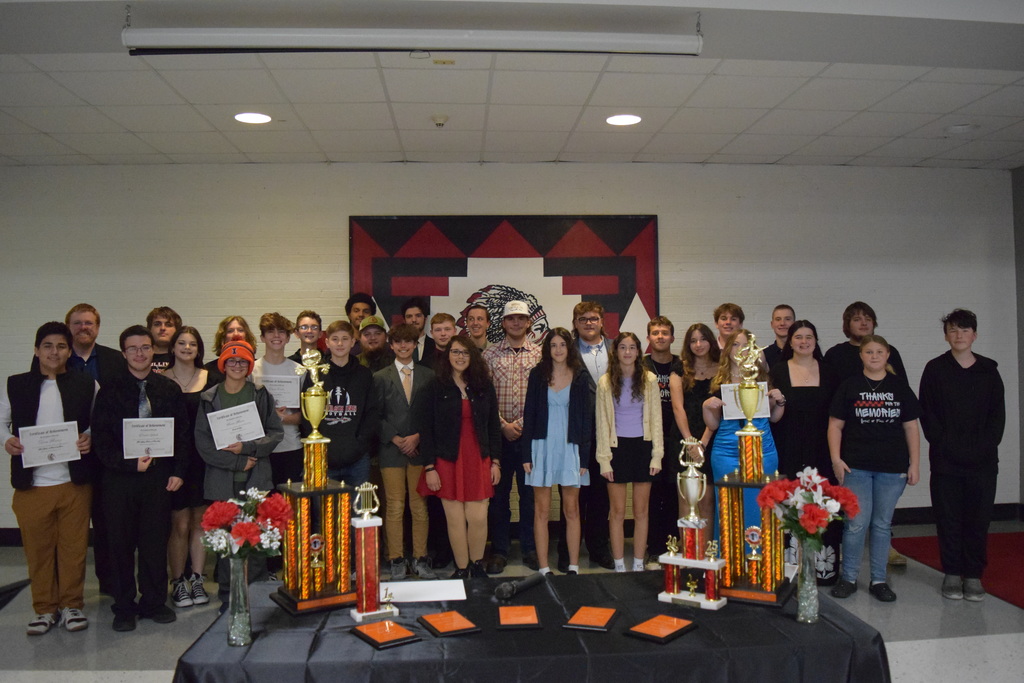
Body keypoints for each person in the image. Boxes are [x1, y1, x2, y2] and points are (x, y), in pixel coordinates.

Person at [91, 325, 189, 632]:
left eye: (145, 347)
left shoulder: (169, 389)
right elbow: (101, 440)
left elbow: (182, 435)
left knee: (153, 542)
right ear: (123, 354)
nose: (140, 353)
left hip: (158, 479)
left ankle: (154, 602)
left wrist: (178, 472)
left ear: (154, 351)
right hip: (120, 480)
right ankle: (123, 606)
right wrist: (128, 464)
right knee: (119, 544)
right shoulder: (109, 390)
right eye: (132, 349)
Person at [3, 322, 97, 635]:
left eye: (60, 346)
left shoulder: (86, 384)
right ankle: (44, 608)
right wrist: (6, 440)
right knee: (38, 551)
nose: (53, 352)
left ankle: (72, 606)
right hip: (32, 486)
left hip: (74, 483)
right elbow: (1, 423)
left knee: (73, 549)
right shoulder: (15, 385)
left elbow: (100, 420)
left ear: (69, 351)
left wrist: (88, 437)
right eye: (47, 346)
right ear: (36, 350)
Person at [919, 309, 1005, 601]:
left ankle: (974, 575)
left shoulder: (989, 371)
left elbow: (997, 417)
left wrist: (984, 446)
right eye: (953, 331)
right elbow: (927, 414)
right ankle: (952, 573)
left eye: (964, 330)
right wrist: (944, 444)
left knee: (978, 519)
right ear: (946, 336)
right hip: (946, 460)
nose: (959, 336)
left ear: (974, 335)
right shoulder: (935, 369)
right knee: (949, 518)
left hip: (982, 461)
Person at [828, 335, 920, 603]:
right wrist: (836, 459)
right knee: (856, 524)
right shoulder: (850, 386)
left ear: (888, 354)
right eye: (869, 352)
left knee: (881, 525)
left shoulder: (899, 387)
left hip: (892, 468)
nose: (874, 356)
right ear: (862, 356)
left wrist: (915, 463)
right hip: (856, 466)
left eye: (879, 352)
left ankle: (879, 580)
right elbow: (835, 425)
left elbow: (911, 426)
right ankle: (849, 578)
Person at [195, 340, 284, 610]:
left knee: (254, 541)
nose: (237, 366)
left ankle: (254, 597)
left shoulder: (259, 393)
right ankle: (228, 597)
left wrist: (248, 449)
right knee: (226, 544)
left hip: (255, 480)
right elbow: (203, 443)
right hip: (222, 482)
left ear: (249, 366)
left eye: (243, 362)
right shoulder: (209, 397)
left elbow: (275, 433)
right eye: (231, 361)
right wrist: (236, 463)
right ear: (223, 365)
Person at [419, 337, 501, 579]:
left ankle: (477, 566)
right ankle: (462, 568)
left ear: (472, 356)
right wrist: (429, 467)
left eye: (465, 352)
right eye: (455, 352)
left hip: (478, 458)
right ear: (448, 355)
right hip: (447, 460)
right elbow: (427, 428)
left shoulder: (484, 386)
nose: (460, 356)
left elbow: (493, 426)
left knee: (477, 517)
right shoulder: (435, 386)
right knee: (454, 519)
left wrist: (496, 462)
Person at [768, 320, 841, 584]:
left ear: (816, 340)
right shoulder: (777, 371)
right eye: (798, 337)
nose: (804, 341)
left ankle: (823, 570)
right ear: (790, 342)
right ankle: (791, 570)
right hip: (789, 447)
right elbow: (774, 416)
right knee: (791, 508)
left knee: (820, 506)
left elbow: (837, 416)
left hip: (822, 447)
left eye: (809, 336)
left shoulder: (830, 372)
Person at [522, 327, 594, 575]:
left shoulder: (581, 376)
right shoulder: (538, 375)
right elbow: (529, 414)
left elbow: (586, 419)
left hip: (570, 447)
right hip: (541, 446)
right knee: (541, 510)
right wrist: (525, 455)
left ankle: (573, 566)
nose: (558, 350)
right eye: (553, 345)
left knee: (571, 509)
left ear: (569, 348)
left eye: (562, 344)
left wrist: (584, 456)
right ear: (547, 349)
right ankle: (544, 568)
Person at [64, 302, 124, 595]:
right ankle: (66, 589)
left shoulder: (114, 359)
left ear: (98, 328)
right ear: (69, 328)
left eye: (89, 323)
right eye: (77, 323)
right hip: (68, 455)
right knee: (71, 526)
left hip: (107, 456)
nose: (83, 328)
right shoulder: (56, 359)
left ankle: (109, 584)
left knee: (106, 523)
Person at [702, 328, 785, 536]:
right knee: (729, 510)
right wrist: (707, 406)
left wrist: (779, 400)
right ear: (728, 349)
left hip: (762, 450)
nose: (741, 350)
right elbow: (712, 425)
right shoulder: (719, 381)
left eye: (747, 346)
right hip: (726, 452)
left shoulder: (763, 378)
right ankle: (729, 562)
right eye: (736, 344)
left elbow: (774, 418)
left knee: (761, 505)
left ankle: (759, 561)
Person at [483, 300, 542, 574]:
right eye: (511, 319)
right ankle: (500, 549)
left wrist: (519, 424)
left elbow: (543, 397)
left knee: (529, 496)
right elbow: (483, 397)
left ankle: (530, 548)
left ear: (529, 322)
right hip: (499, 437)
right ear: (503, 323)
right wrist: (503, 425)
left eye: (521, 318)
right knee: (499, 496)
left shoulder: (540, 355)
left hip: (530, 438)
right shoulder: (490, 355)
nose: (516, 323)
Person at [373, 323, 436, 580]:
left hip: (419, 449)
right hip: (391, 450)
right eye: (397, 342)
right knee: (395, 506)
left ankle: (420, 557)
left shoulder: (428, 375)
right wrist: (396, 439)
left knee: (419, 506)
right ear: (391, 345)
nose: (403, 346)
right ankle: (396, 558)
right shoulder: (380, 377)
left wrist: (417, 436)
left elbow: (432, 414)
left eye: (407, 342)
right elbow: (374, 415)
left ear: (415, 344)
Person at [596, 332, 663, 572]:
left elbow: (656, 420)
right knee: (616, 512)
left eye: (632, 347)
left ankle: (637, 563)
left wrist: (657, 455)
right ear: (616, 352)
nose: (627, 352)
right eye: (622, 347)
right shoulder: (605, 382)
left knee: (641, 511)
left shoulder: (650, 380)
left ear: (638, 351)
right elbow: (602, 423)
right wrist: (604, 460)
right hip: (616, 449)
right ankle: (619, 565)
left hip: (643, 448)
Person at [162, 326, 211, 609]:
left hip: (205, 460)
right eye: (182, 342)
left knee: (200, 522)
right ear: (172, 348)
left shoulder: (211, 379)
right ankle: (178, 581)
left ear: (199, 349)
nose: (187, 347)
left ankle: (197, 578)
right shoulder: (160, 381)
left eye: (193, 343)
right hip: (174, 463)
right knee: (178, 523)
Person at [300, 321, 379, 487]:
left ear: (353, 342)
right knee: (324, 510)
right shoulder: (315, 374)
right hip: (323, 457)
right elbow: (307, 417)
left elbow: (371, 414)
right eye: (335, 339)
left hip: (357, 458)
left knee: (358, 510)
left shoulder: (364, 375)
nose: (340, 343)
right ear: (327, 342)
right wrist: (319, 449)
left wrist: (359, 445)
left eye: (345, 339)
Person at [567, 301, 614, 571]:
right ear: (575, 323)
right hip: (575, 431)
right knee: (571, 492)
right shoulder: (565, 350)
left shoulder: (615, 350)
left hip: (607, 431)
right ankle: (567, 549)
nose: (588, 323)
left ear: (601, 321)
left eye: (593, 319)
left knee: (600, 494)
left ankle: (598, 549)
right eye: (583, 319)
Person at [668, 323, 720, 523]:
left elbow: (719, 410)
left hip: (711, 438)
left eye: (703, 339)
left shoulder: (720, 368)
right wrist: (690, 442)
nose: (698, 344)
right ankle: (687, 551)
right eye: (693, 341)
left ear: (710, 341)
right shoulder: (679, 368)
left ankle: (706, 552)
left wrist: (702, 444)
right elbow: (677, 407)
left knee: (706, 499)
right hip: (683, 438)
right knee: (686, 499)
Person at [251, 313, 303, 487]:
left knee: (290, 506)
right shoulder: (251, 371)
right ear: (262, 337)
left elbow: (306, 417)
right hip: (261, 450)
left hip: (291, 447)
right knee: (263, 506)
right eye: (270, 331)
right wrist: (268, 416)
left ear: (288, 338)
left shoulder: (300, 372)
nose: (276, 336)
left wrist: (280, 418)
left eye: (281, 332)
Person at [643, 316, 680, 561]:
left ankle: (674, 545)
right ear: (648, 338)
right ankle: (654, 547)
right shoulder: (640, 365)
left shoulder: (681, 365)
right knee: (652, 494)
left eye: (664, 333)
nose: (660, 337)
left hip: (676, 436)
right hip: (648, 439)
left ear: (672, 338)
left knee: (674, 492)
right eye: (655, 333)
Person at [824, 301, 907, 382]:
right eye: (857, 319)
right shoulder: (835, 354)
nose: (864, 323)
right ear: (847, 324)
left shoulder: (888, 351)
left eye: (868, 319)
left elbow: (903, 389)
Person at [205, 316, 257, 385]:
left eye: (240, 330)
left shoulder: (257, 367)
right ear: (223, 337)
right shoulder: (209, 370)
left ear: (247, 336)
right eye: (230, 331)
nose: (236, 334)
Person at [147, 306, 181, 372]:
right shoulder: (140, 356)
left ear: (177, 330)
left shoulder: (183, 357)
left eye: (168, 325)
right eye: (157, 324)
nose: (162, 328)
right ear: (149, 329)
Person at [402, 297, 434, 363]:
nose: (414, 320)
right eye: (409, 316)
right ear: (404, 320)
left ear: (425, 318)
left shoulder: (435, 346)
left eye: (418, 315)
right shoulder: (397, 346)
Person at [763, 304, 795, 369]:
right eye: (778, 319)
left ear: (794, 324)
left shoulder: (801, 352)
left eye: (787, 319)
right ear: (772, 324)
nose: (782, 323)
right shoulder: (765, 354)